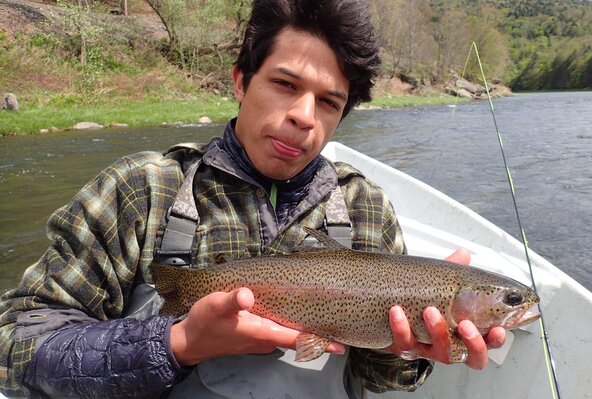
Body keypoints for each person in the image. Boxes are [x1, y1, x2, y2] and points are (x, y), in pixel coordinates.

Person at [0, 0, 505, 397]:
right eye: (285, 84)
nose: (304, 116)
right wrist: (177, 344)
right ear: (242, 80)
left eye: (329, 102)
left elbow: (383, 378)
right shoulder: (141, 190)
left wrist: (415, 350)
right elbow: (16, 344)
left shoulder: (364, 208)